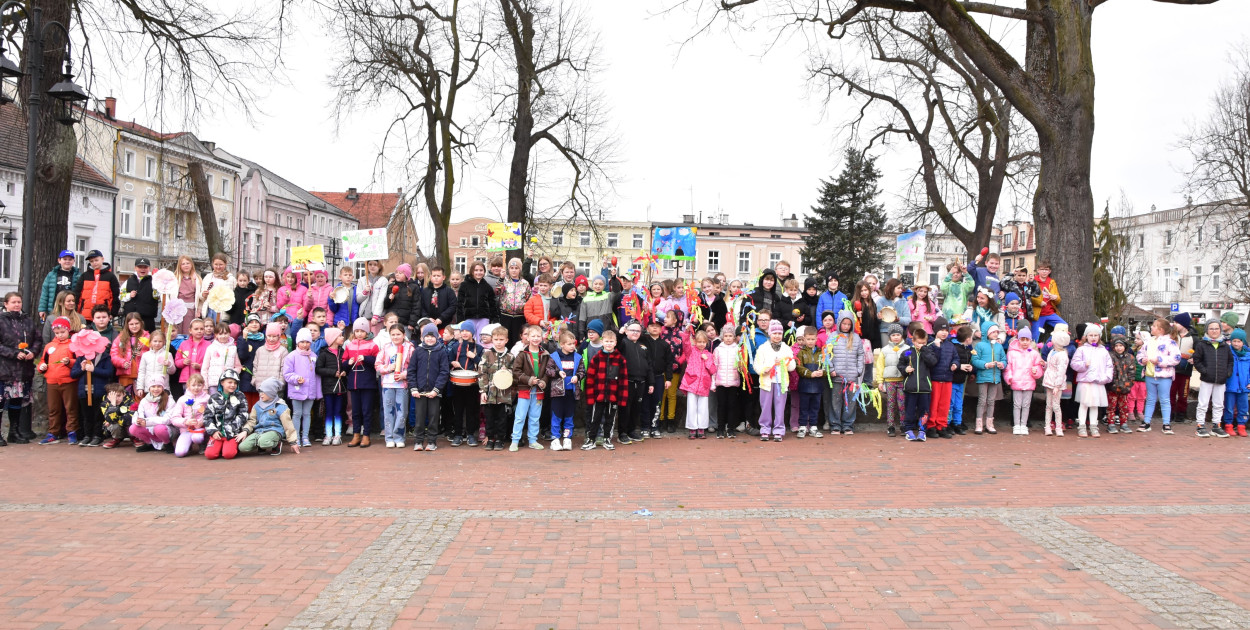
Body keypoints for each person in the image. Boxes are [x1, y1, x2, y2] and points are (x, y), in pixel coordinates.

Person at [0, 292, 43, 445]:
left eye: (19, 302)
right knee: (1, 401)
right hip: (5, 369)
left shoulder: (28, 321)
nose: (17, 305)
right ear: (6, 304)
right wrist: (13, 353)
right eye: (13, 302)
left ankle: (14, 432)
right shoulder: (1, 320)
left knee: (16, 401)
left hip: (23, 370)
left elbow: (38, 339)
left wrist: (33, 351)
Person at [510, 325, 555, 451]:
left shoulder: (545, 354)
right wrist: (529, 380)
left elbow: (548, 371)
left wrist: (544, 382)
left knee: (535, 416)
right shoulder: (522, 354)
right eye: (533, 336)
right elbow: (516, 371)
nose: (535, 338)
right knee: (520, 416)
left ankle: (533, 440)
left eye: (538, 336)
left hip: (538, 390)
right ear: (527, 337)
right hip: (525, 389)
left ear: (542, 337)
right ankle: (515, 440)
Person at [70, 326, 116, 447]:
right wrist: (82, 368)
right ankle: (87, 435)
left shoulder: (105, 358)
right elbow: (73, 374)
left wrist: (94, 369)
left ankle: (97, 435)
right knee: (86, 415)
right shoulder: (81, 357)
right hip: (84, 391)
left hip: (99, 392)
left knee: (98, 415)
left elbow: (109, 373)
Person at [581, 329, 627, 450]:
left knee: (610, 419)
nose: (609, 344)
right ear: (602, 342)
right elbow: (590, 379)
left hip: (613, 395)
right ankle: (591, 439)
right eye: (606, 341)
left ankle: (607, 438)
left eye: (611, 341)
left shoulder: (620, 359)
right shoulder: (596, 358)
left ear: (615, 342)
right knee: (594, 418)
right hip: (598, 395)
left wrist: (622, 399)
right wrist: (590, 397)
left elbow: (623, 380)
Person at [37, 317, 78, 444]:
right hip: (52, 382)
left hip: (69, 381)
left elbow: (78, 362)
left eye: (62, 332)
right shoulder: (49, 346)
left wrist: (69, 362)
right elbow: (43, 361)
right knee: (53, 409)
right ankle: (53, 432)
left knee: (71, 408)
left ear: (68, 330)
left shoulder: (73, 345)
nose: (60, 335)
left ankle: (72, 432)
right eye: (57, 333)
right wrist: (41, 367)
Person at [1190, 319, 1233, 438]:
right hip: (1207, 379)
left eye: (1216, 328)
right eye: (1211, 328)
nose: (1214, 331)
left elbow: (1230, 361)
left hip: (1221, 379)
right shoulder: (1202, 344)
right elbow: (1197, 360)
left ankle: (1216, 425)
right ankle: (1200, 425)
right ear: (1207, 330)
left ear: (1220, 330)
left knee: (1219, 404)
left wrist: (1227, 373)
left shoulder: (1225, 346)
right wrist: (1205, 371)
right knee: (1203, 403)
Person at [1137, 318, 1181, 434]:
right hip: (1149, 375)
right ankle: (1146, 422)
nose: (1152, 327)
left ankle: (1166, 423)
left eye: (1154, 326)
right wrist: (1143, 360)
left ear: (1160, 330)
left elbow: (1176, 358)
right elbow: (1140, 353)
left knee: (1164, 399)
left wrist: (1160, 360)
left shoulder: (1170, 342)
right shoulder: (1148, 341)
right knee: (1150, 399)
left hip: (1164, 377)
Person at [824, 310, 864, 436]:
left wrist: (859, 370)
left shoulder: (856, 338)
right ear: (839, 323)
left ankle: (848, 425)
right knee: (836, 401)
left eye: (848, 324)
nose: (846, 326)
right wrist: (831, 369)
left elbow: (860, 355)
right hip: (837, 376)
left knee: (851, 402)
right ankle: (835, 425)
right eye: (844, 324)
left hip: (852, 376)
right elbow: (826, 353)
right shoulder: (833, 337)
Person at [753, 319, 793, 442]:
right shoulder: (763, 348)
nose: (777, 336)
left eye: (779, 333)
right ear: (770, 334)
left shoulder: (786, 348)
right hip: (766, 383)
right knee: (765, 406)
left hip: (781, 383)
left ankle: (779, 430)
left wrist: (785, 362)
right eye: (774, 333)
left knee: (780, 407)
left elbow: (792, 366)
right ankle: (765, 429)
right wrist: (763, 370)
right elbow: (756, 365)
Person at [1070, 324, 1113, 438]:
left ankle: (1094, 426)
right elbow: (1074, 364)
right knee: (1084, 404)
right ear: (1086, 336)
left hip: (1098, 382)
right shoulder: (1081, 349)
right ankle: (1082, 426)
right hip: (1085, 382)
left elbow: (1109, 366)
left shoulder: (1103, 351)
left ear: (1099, 336)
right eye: (1091, 335)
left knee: (1095, 405)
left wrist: (1106, 377)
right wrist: (1084, 365)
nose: (1093, 337)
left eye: (1096, 335)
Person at [240, 377, 301, 456]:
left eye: (264, 392)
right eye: (260, 391)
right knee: (243, 447)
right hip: (259, 432)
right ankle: (260, 444)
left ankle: (276, 444)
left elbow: (288, 425)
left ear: (271, 392)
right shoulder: (257, 405)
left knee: (264, 442)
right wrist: (246, 430)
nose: (260, 394)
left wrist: (293, 442)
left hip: (274, 431)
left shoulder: (280, 406)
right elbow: (252, 420)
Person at [343, 318, 379, 447]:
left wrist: (366, 359)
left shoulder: (372, 345)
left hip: (368, 383)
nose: (359, 334)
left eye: (362, 331)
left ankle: (366, 435)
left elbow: (377, 361)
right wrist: (349, 363)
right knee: (355, 411)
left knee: (366, 410)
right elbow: (343, 363)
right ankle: (356, 435)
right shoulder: (349, 345)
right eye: (357, 331)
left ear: (367, 332)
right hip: (354, 383)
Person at [283, 328, 321, 448]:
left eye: (307, 342)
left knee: (307, 414)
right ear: (297, 342)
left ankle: (305, 436)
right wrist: (296, 378)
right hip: (297, 390)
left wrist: (318, 392)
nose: (305, 344)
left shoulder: (314, 356)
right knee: (297, 413)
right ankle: (296, 438)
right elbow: (287, 374)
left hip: (310, 390)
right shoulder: (291, 356)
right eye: (302, 341)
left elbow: (317, 376)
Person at [477, 326, 514, 451]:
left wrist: (508, 371)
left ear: (506, 340)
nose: (498, 342)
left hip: (504, 394)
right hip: (490, 394)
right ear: (492, 339)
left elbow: (515, 373)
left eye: (501, 339)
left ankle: (500, 439)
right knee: (489, 417)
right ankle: (490, 437)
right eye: (496, 339)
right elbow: (482, 373)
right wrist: (483, 391)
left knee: (502, 418)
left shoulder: (510, 356)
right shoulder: (487, 354)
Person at [1004, 327, 1044, 436]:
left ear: (1031, 340)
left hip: (1029, 382)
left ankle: (1024, 424)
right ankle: (1016, 425)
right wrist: (1009, 377)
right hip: (1016, 382)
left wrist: (1035, 372)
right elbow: (1008, 368)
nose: (1025, 342)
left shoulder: (1034, 353)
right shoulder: (1012, 353)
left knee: (1026, 405)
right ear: (1019, 340)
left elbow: (1038, 367)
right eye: (1023, 339)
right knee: (1017, 404)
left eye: (1027, 339)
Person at [900, 325, 937, 442]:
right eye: (919, 343)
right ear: (913, 341)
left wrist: (924, 350)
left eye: (923, 343)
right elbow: (900, 364)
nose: (921, 345)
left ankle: (922, 430)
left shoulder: (928, 351)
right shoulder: (907, 352)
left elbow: (932, 362)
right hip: (910, 388)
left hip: (924, 388)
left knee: (924, 411)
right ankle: (909, 430)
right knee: (909, 410)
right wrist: (905, 369)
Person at [549, 331, 585, 450]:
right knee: (557, 414)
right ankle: (555, 438)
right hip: (557, 392)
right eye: (569, 344)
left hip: (572, 391)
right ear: (562, 344)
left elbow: (582, 371)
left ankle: (567, 438)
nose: (572, 346)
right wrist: (558, 373)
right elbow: (548, 370)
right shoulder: (554, 356)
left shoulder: (578, 357)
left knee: (569, 415)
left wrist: (578, 377)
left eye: (573, 343)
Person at [204, 369, 249, 459]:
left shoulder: (240, 396)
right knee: (210, 455)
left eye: (235, 383)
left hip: (232, 433)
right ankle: (219, 446)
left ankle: (229, 446)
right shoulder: (214, 397)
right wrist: (213, 431)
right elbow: (207, 416)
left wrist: (232, 429)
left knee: (229, 454)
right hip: (218, 433)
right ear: (222, 382)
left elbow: (243, 414)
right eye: (230, 382)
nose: (233, 385)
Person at [971, 321, 1006, 435]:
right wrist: (985, 365)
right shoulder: (980, 345)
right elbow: (974, 360)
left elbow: (1004, 359)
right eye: (993, 332)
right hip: (983, 376)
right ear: (987, 333)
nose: (996, 334)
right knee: (982, 400)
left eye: (997, 332)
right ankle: (979, 424)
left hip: (995, 377)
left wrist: (1002, 364)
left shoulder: (999, 346)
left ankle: (990, 423)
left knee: (991, 401)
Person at [928, 318, 959, 439]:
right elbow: (931, 360)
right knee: (933, 404)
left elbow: (955, 358)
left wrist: (955, 364)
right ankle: (931, 426)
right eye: (941, 330)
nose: (944, 333)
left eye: (946, 330)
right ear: (936, 331)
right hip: (935, 378)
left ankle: (942, 425)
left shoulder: (951, 345)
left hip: (947, 378)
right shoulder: (931, 344)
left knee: (944, 404)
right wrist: (936, 347)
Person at [315, 327, 347, 445]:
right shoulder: (324, 354)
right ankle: (328, 435)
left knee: (338, 411)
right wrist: (332, 373)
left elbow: (346, 366)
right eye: (340, 336)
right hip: (328, 388)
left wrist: (345, 372)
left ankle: (337, 434)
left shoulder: (343, 352)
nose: (342, 337)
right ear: (333, 339)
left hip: (340, 387)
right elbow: (318, 369)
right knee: (329, 411)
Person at [710, 325, 743, 439]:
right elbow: (715, 367)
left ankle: (731, 428)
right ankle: (720, 428)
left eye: (730, 336)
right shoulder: (718, 349)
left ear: (734, 337)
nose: (728, 338)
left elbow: (740, 366)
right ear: (722, 337)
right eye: (726, 336)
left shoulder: (738, 349)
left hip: (733, 382)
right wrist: (713, 383)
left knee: (732, 406)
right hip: (721, 382)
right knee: (721, 406)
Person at [792, 327, 824, 439]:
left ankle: (813, 427)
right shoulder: (801, 353)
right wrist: (810, 373)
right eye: (808, 339)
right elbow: (798, 367)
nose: (810, 341)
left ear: (816, 339)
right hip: (805, 385)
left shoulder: (821, 352)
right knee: (804, 407)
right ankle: (802, 426)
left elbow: (826, 366)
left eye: (813, 339)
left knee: (815, 407)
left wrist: (822, 372)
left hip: (818, 385)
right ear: (804, 339)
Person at [169, 373, 211, 457]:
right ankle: (188, 445)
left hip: (201, 429)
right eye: (193, 385)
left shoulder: (208, 398)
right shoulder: (182, 399)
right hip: (186, 430)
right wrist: (186, 421)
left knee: (197, 438)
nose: (196, 388)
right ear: (188, 385)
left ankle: (203, 443)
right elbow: (174, 418)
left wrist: (202, 421)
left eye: (199, 385)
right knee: (179, 453)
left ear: (203, 385)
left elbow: (211, 414)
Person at [73, 250, 121, 321]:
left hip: (103, 315)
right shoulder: (85, 275)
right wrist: (76, 311)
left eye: (96, 260)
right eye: (91, 261)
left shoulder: (110, 276)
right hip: (85, 315)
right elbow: (77, 294)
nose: (94, 263)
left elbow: (115, 295)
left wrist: (113, 313)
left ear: (102, 259)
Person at [1106, 331, 1138, 435]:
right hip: (1113, 387)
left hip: (1125, 387)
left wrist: (1129, 383)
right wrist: (1111, 383)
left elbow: (1132, 372)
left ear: (1125, 346)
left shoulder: (1130, 357)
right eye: (1117, 345)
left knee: (1124, 406)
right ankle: (1111, 423)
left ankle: (1124, 423)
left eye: (1121, 345)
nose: (1119, 348)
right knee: (1111, 406)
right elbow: (1110, 371)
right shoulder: (1110, 356)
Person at [1041, 326, 1071, 436]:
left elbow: (1061, 372)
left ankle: (1058, 427)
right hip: (1049, 381)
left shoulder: (1062, 356)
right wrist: (1045, 365)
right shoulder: (1052, 351)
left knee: (1056, 406)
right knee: (1048, 405)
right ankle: (1047, 426)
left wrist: (1057, 386)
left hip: (1055, 384)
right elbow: (1050, 365)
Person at [109, 313, 148, 395]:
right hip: (125, 374)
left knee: (140, 398)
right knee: (126, 399)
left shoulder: (147, 337)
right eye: (131, 324)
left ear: (141, 323)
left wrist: (141, 354)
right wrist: (122, 362)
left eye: (136, 323)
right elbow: (114, 354)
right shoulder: (120, 337)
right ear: (127, 325)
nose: (134, 326)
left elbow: (153, 353)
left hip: (141, 374)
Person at [172, 318, 210, 401]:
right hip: (186, 379)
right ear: (190, 330)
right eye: (196, 329)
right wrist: (183, 362)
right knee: (188, 400)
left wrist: (200, 366)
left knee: (200, 400)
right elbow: (177, 361)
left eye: (201, 329)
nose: (199, 331)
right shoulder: (184, 344)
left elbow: (211, 363)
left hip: (201, 379)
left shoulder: (208, 345)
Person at [948, 324, 975, 434]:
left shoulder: (967, 350)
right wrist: (960, 367)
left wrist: (971, 369)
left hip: (961, 380)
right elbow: (951, 364)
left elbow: (968, 362)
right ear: (968, 339)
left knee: (959, 403)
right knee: (951, 403)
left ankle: (957, 423)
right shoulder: (954, 348)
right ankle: (948, 423)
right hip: (953, 380)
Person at [130, 382, 172, 452]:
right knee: (133, 428)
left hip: (165, 429)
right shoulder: (144, 400)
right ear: (149, 388)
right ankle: (149, 443)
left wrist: (148, 422)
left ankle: (167, 443)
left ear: (163, 388)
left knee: (159, 428)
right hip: (149, 427)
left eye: (159, 386)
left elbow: (168, 420)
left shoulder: (169, 400)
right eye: (153, 386)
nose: (156, 389)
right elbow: (139, 414)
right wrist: (138, 421)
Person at [458, 261, 498, 335]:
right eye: (476, 270)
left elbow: (492, 304)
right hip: (469, 317)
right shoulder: (464, 285)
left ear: (484, 271)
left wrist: (494, 319)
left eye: (481, 270)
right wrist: (460, 320)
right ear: (472, 271)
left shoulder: (487, 287)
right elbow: (460, 303)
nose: (478, 272)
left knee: (481, 339)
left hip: (483, 318)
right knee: (470, 339)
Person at [39, 250, 80, 321]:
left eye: (70, 259)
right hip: (54, 308)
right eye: (65, 259)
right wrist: (42, 309)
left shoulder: (78, 276)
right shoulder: (51, 275)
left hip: (71, 310)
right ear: (59, 260)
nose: (67, 261)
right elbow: (45, 293)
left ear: (74, 261)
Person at [1223, 329, 1250, 437]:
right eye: (1234, 341)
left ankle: (1241, 425)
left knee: (1243, 407)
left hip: (1243, 386)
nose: (1236, 343)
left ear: (1243, 342)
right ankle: (1228, 425)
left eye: (1239, 341)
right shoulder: (1228, 353)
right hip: (1230, 385)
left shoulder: (1248, 355)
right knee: (1229, 407)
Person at [120, 258, 159, 331]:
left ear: (149, 268)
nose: (142, 269)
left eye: (145, 267)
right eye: (140, 267)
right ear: (135, 268)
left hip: (147, 319)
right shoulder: (128, 281)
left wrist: (155, 291)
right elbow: (121, 296)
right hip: (131, 319)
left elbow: (157, 296)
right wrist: (129, 295)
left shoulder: (154, 281)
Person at [1030, 262, 1065, 342]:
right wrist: (1039, 302)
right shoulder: (1033, 281)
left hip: (1050, 313)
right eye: (1042, 269)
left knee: (1063, 327)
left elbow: (1058, 299)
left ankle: (1048, 346)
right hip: (1038, 314)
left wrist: (1055, 298)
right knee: (1034, 338)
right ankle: (1035, 352)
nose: (1044, 271)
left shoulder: (1052, 282)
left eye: (1046, 270)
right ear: (1038, 270)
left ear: (1050, 271)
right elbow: (1029, 297)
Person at [198, 253, 234, 321]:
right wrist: (203, 295)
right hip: (209, 309)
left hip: (222, 311)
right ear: (212, 264)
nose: (218, 267)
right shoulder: (208, 277)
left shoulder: (230, 278)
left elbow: (233, 296)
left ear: (225, 264)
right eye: (216, 264)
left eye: (220, 264)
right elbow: (201, 296)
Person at [171, 255, 201, 336]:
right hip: (177, 309)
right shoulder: (175, 278)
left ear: (191, 264)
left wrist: (198, 309)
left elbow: (199, 297)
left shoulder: (197, 279)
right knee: (177, 330)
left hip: (190, 309)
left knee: (188, 330)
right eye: (183, 264)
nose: (186, 265)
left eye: (188, 263)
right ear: (179, 266)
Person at [579, 275, 615, 341]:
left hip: (605, 332)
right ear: (592, 285)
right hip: (591, 333)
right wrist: (581, 333)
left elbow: (616, 291)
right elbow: (582, 318)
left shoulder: (608, 296)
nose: (598, 286)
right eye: (595, 284)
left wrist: (614, 278)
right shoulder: (586, 299)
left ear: (604, 286)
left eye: (600, 284)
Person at [421, 266, 458, 331]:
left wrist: (441, 318)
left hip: (445, 325)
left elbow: (453, 307)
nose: (436, 278)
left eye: (438, 276)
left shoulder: (449, 291)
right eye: (434, 275)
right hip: (428, 324)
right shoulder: (425, 291)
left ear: (443, 277)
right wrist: (427, 318)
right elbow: (421, 306)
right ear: (431, 277)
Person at [360, 260, 390, 333]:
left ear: (379, 266)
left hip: (376, 317)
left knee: (375, 338)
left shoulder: (383, 280)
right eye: (370, 264)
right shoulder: (362, 280)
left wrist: (376, 316)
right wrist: (365, 292)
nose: (372, 266)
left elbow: (381, 299)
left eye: (375, 264)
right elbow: (358, 299)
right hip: (364, 315)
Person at [275, 267, 308, 332]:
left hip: (297, 318)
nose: (290, 279)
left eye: (292, 277)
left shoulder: (303, 289)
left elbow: (306, 306)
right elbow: (279, 306)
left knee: (296, 338)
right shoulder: (281, 289)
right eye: (288, 277)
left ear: (296, 278)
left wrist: (301, 316)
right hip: (285, 320)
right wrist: (286, 298)